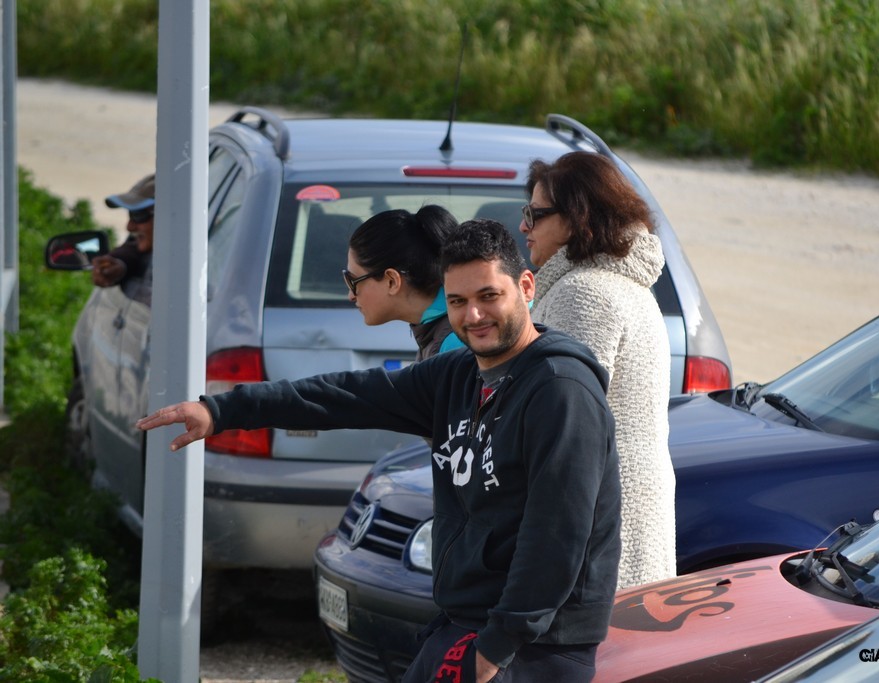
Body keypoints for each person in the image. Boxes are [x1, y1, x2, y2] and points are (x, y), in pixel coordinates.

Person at [137, 219, 622, 683]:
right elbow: (346, 394)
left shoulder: (560, 391)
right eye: (458, 301)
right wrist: (222, 410)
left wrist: (497, 647)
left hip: (533, 647)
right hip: (469, 624)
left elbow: (557, 537)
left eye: (488, 296)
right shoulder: (458, 375)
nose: (473, 316)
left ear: (526, 287)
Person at [522, 151, 674, 590]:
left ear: (577, 218)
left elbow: (563, 420)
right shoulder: (619, 286)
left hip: (599, 525)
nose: (524, 227)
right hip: (625, 513)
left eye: (534, 215)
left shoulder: (584, 294)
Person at [345, 205, 463, 360]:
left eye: (352, 280)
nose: (350, 295)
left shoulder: (454, 344)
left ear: (392, 281)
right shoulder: (440, 332)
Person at [91, 173, 155, 288]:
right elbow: (132, 248)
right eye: (131, 214)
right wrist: (118, 264)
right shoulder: (150, 244)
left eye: (139, 215)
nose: (130, 227)